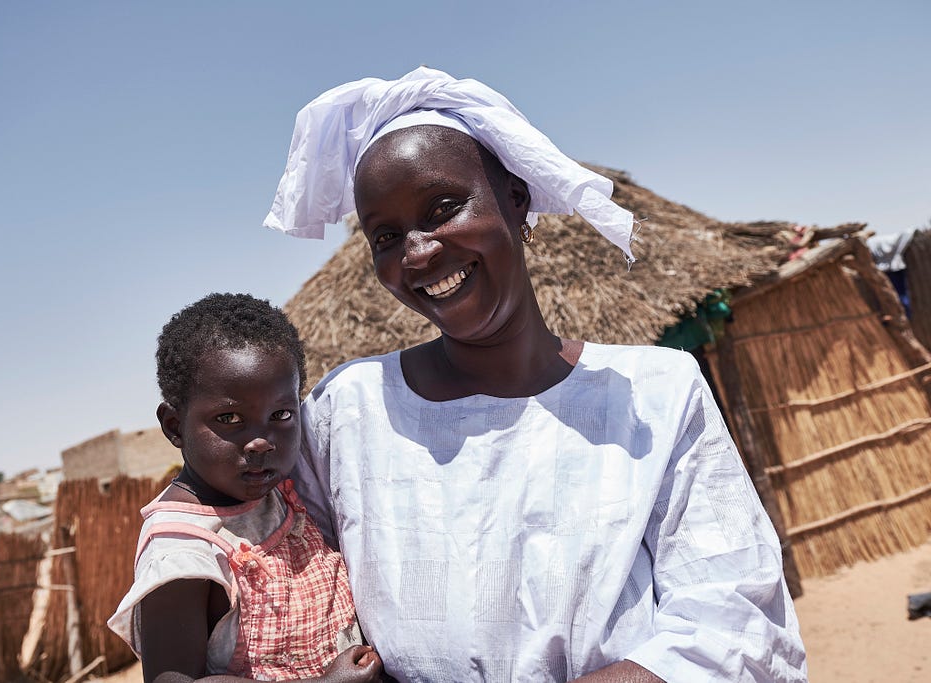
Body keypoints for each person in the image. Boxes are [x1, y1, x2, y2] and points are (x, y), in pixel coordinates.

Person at [264, 68, 807, 682]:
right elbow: (283, 584)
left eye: (443, 208)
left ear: (517, 197)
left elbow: (734, 625)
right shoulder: (347, 410)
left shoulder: (653, 395)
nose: (416, 251)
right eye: (386, 236)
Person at [108, 293, 383, 683]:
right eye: (230, 417)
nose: (261, 441)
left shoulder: (281, 492)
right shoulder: (184, 551)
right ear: (174, 426)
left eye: (281, 414)